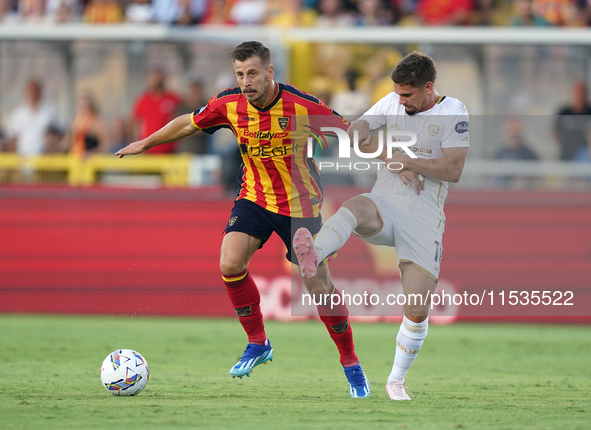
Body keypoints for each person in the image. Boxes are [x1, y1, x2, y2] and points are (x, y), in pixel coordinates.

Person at [116, 41, 371, 398]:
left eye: (252, 73)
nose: (246, 81)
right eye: (240, 74)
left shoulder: (302, 105)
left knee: (319, 288)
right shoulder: (229, 104)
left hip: (300, 206)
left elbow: (350, 132)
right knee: (230, 262)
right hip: (254, 197)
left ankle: (351, 363)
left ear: (269, 72)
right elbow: (188, 124)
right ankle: (258, 342)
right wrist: (145, 143)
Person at [293, 51, 469, 401]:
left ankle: (395, 381)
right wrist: (391, 157)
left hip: (423, 218)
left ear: (428, 87)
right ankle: (315, 252)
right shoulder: (390, 102)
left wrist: (411, 162)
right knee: (355, 206)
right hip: (385, 202)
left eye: (408, 95)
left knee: (417, 309)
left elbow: (453, 170)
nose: (400, 101)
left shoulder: (454, 112)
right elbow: (356, 132)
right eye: (397, 93)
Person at [131, 70, 182, 154]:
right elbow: (133, 122)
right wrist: (136, 143)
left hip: (169, 150)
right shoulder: (143, 99)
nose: (157, 82)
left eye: (159, 79)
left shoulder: (173, 99)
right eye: (155, 79)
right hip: (148, 150)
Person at [6, 79, 61, 157]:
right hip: (23, 158)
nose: (33, 94)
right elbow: (13, 138)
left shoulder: (50, 112)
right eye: (31, 91)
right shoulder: (18, 114)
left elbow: (59, 133)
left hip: (45, 158)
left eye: (36, 91)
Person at [61, 91, 110, 157]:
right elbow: (67, 142)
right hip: (75, 159)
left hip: (91, 161)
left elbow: (105, 145)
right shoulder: (75, 120)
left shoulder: (97, 122)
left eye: (85, 101)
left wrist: (92, 153)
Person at [554, 82, 591, 161]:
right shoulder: (564, 112)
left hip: (586, 157)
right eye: (577, 93)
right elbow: (555, 133)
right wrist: (567, 143)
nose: (579, 96)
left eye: (582, 93)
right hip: (566, 156)